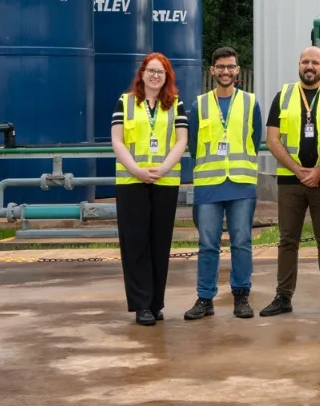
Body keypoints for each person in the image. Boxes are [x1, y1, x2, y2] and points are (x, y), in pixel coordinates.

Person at [262, 47, 320, 316]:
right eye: (305, 62)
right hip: (290, 181)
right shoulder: (283, 95)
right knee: (288, 240)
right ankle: (283, 297)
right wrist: (299, 171)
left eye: (315, 62)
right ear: (299, 64)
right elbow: (273, 140)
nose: (310, 66)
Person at [184, 48, 264, 320]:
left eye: (230, 67)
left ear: (238, 70)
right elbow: (194, 146)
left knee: (241, 241)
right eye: (220, 67)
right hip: (208, 186)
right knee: (208, 244)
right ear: (212, 71)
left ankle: (241, 296)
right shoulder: (199, 105)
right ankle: (205, 298)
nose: (226, 72)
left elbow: (254, 140)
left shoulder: (251, 103)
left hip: (241, 184)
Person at [111, 53, 189, 326]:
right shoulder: (125, 102)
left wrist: (163, 169)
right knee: (135, 244)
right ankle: (141, 304)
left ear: (167, 77)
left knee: (159, 243)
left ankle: (156, 303)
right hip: (132, 182)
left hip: (164, 182)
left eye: (161, 72)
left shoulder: (175, 105)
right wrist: (137, 170)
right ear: (142, 74)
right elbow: (117, 141)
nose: (156, 76)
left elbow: (181, 142)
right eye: (151, 71)